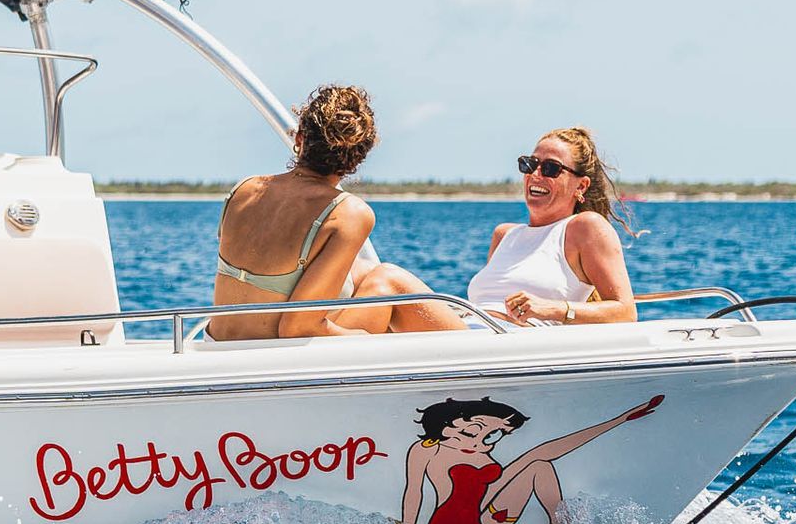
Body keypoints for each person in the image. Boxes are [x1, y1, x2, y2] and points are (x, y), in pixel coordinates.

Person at [210, 83, 464, 339]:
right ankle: (479, 345)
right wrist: (370, 341)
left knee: (361, 271)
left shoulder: (245, 189)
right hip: (275, 357)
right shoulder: (347, 212)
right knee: (388, 280)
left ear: (300, 138)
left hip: (217, 344)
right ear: (358, 158)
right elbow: (298, 328)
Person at [398, 394, 664, 524]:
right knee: (536, 463)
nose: (480, 443)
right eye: (472, 432)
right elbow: (414, 492)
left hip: (486, 522)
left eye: (490, 437)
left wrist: (619, 420)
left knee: (538, 464)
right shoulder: (426, 449)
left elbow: (542, 452)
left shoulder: (483, 456)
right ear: (446, 425)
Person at [467, 127, 637, 327]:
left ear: (581, 186)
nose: (536, 174)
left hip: (511, 343)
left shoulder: (585, 227)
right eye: (530, 165)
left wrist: (555, 309)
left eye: (551, 168)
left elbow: (625, 311)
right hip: (470, 334)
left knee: (419, 294)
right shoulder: (504, 235)